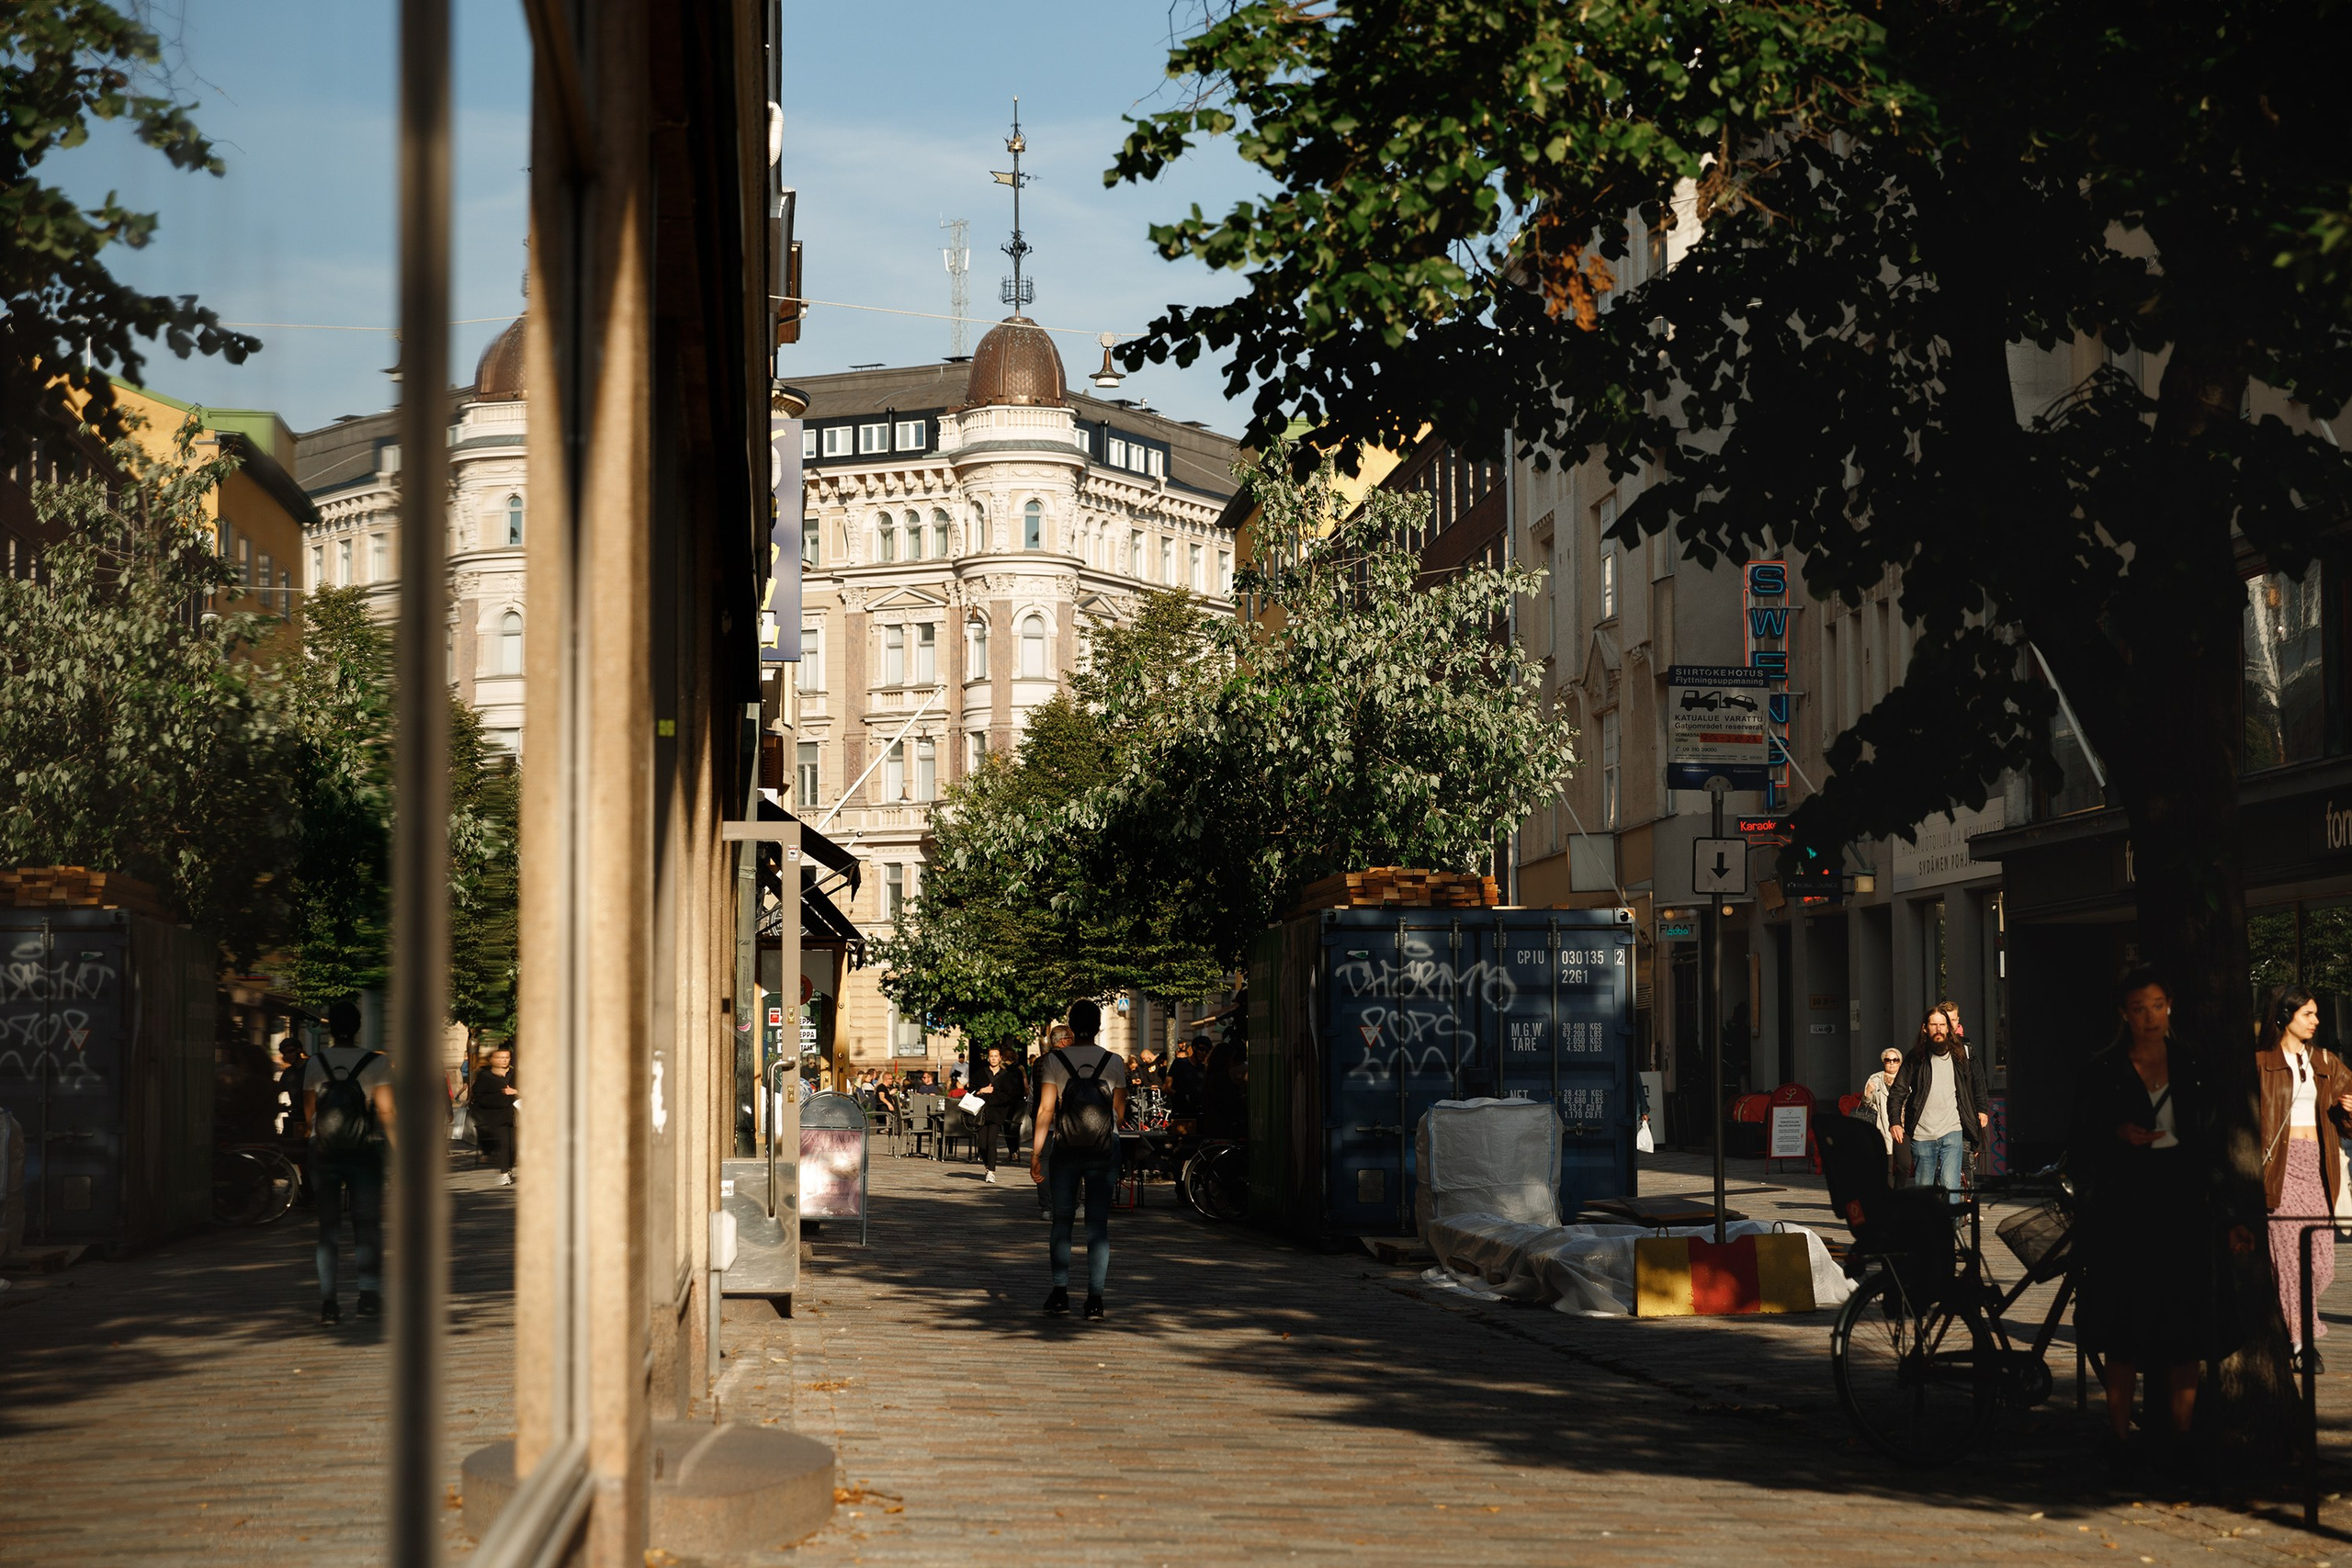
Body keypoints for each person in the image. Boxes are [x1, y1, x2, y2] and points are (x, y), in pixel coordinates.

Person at [2070, 966, 2255, 1470]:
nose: (2150, 1017)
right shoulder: (2104, 1069)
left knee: (2184, 1329)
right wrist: (2117, 1135)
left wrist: (2228, 1215)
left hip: (2182, 1208)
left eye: (2157, 1006)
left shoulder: (2192, 1066)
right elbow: (2080, 1141)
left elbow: (2213, 1147)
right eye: (2139, 1009)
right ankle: (2119, 1437)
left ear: (2169, 1006)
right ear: (2124, 1014)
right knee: (2122, 1327)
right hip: (2125, 1210)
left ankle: (2183, 1436)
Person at [2258, 985, 2352, 1373]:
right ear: (2284, 1017)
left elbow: (2347, 1125)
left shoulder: (2327, 1062)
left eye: (2316, 1013)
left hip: (2318, 1167)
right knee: (2290, 1259)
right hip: (2279, 1169)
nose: (2316, 1020)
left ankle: (2285, 1322)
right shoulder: (2260, 1063)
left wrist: (2350, 1110)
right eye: (2307, 1014)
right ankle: (2302, 1344)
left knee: (2322, 1264)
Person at [1031, 1001, 1127, 1318]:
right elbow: (1119, 1112)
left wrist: (1036, 1153)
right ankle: (1095, 1300)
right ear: (1098, 1026)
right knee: (1098, 1225)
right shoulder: (1114, 1061)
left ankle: (1060, 1293)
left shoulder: (1054, 1060)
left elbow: (1046, 1110)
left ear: (1071, 1026)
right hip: (1105, 1148)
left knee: (1062, 1220)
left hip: (1066, 1148)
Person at [303, 999, 394, 1326]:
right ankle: (368, 1298)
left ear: (330, 1027)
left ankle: (329, 1303)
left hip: (323, 1152)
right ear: (357, 1027)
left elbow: (310, 1114)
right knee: (366, 1225)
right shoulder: (376, 1062)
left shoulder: (315, 1062)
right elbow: (387, 1112)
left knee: (328, 1229)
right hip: (365, 1151)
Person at [1887, 1007, 1984, 1195]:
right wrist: (1895, 1122)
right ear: (1925, 1028)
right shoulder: (1916, 1057)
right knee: (1925, 1191)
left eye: (1942, 1025)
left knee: (1951, 1187)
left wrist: (1982, 1110)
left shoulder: (1960, 1055)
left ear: (1948, 1028)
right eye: (1934, 1025)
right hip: (1923, 1134)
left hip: (1952, 1131)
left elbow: (1976, 1083)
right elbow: (1898, 1091)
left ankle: (1951, 1216)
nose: (1938, 1029)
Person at [1937, 1000, 1993, 1140]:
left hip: (1965, 1113)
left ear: (1958, 1020)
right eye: (1947, 1020)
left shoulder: (1967, 1047)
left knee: (1966, 1150)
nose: (1951, 1024)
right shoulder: (1930, 1047)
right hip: (1938, 1116)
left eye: (1953, 1020)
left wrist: (1982, 1109)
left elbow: (1978, 1079)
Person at [972, 1044, 1026, 1182]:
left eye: (996, 1056)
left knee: (991, 1141)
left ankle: (991, 1171)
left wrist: (995, 1097)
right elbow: (971, 1090)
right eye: (991, 1056)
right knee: (982, 1144)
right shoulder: (980, 1073)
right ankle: (987, 1165)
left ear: (1000, 1058)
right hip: (982, 1112)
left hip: (997, 1112)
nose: (993, 1059)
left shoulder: (1007, 1076)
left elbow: (1010, 1094)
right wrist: (981, 1091)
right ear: (988, 1058)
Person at [468, 1045, 519, 1186]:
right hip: (495, 1116)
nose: (504, 1060)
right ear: (492, 1060)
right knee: (505, 1144)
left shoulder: (515, 1074)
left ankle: (508, 1168)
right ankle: (504, 1174)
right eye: (500, 1058)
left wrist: (516, 1092)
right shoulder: (485, 1076)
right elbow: (479, 1097)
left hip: (514, 1115)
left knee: (514, 1146)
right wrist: (501, 1095)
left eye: (506, 1057)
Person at [1858, 1047, 1904, 1154]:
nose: (1892, 1063)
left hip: (1902, 1124)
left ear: (1900, 1062)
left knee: (1904, 1161)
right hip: (1882, 1123)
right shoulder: (1875, 1079)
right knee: (1887, 1156)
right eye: (1888, 1060)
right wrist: (1868, 1093)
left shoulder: (1906, 1078)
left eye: (1895, 1060)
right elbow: (1866, 1103)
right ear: (1883, 1062)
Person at [1169, 1036, 1208, 1117]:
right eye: (1201, 1049)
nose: (1204, 1053)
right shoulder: (1179, 1063)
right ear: (1194, 1048)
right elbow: (1166, 1088)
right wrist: (1183, 1097)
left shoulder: (1204, 1069)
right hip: (1181, 1114)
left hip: (1200, 1114)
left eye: (1207, 1051)